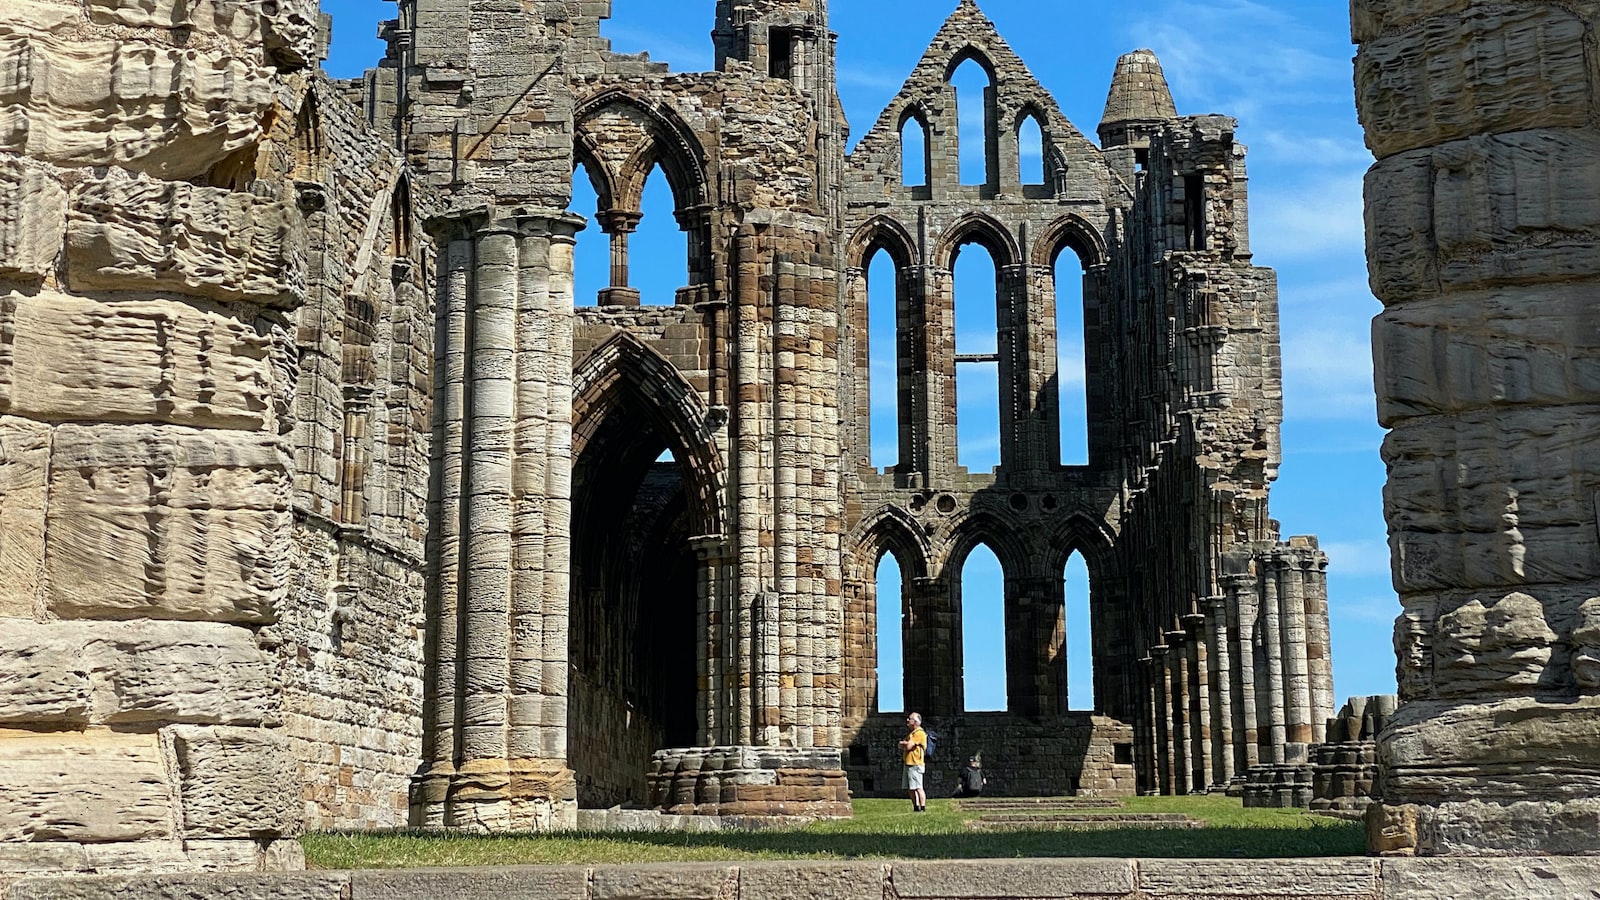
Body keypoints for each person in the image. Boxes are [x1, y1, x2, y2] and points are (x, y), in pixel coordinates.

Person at [897, 712, 927, 812]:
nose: (907, 720)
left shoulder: (919, 733)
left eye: (910, 719)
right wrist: (904, 744)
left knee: (918, 787)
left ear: (915, 722)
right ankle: (916, 807)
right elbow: (901, 745)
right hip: (908, 763)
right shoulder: (912, 734)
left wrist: (904, 744)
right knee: (910, 788)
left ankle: (922, 807)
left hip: (916, 764)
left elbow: (908, 746)